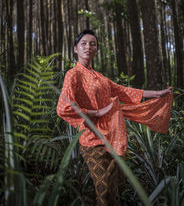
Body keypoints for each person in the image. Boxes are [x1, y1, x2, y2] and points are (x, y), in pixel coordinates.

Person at [57, 29, 173, 206]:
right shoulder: (73, 74)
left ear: (96, 49)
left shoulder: (101, 78)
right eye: (84, 44)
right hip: (91, 138)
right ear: (75, 49)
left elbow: (125, 91)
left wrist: (157, 93)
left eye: (93, 44)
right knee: (103, 190)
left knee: (113, 189)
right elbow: (63, 107)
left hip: (112, 137)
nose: (88, 47)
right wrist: (96, 113)